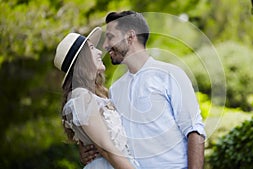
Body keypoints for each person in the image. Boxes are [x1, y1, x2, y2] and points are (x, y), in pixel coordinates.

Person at [80, 11, 206, 169]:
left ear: (130, 37)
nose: (105, 45)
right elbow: (113, 139)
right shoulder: (114, 90)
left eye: (110, 37)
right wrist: (88, 151)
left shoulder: (171, 75)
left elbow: (194, 131)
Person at [54, 27, 138, 169]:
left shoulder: (97, 95)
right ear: (82, 59)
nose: (100, 52)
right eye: (92, 48)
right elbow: (106, 148)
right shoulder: (80, 97)